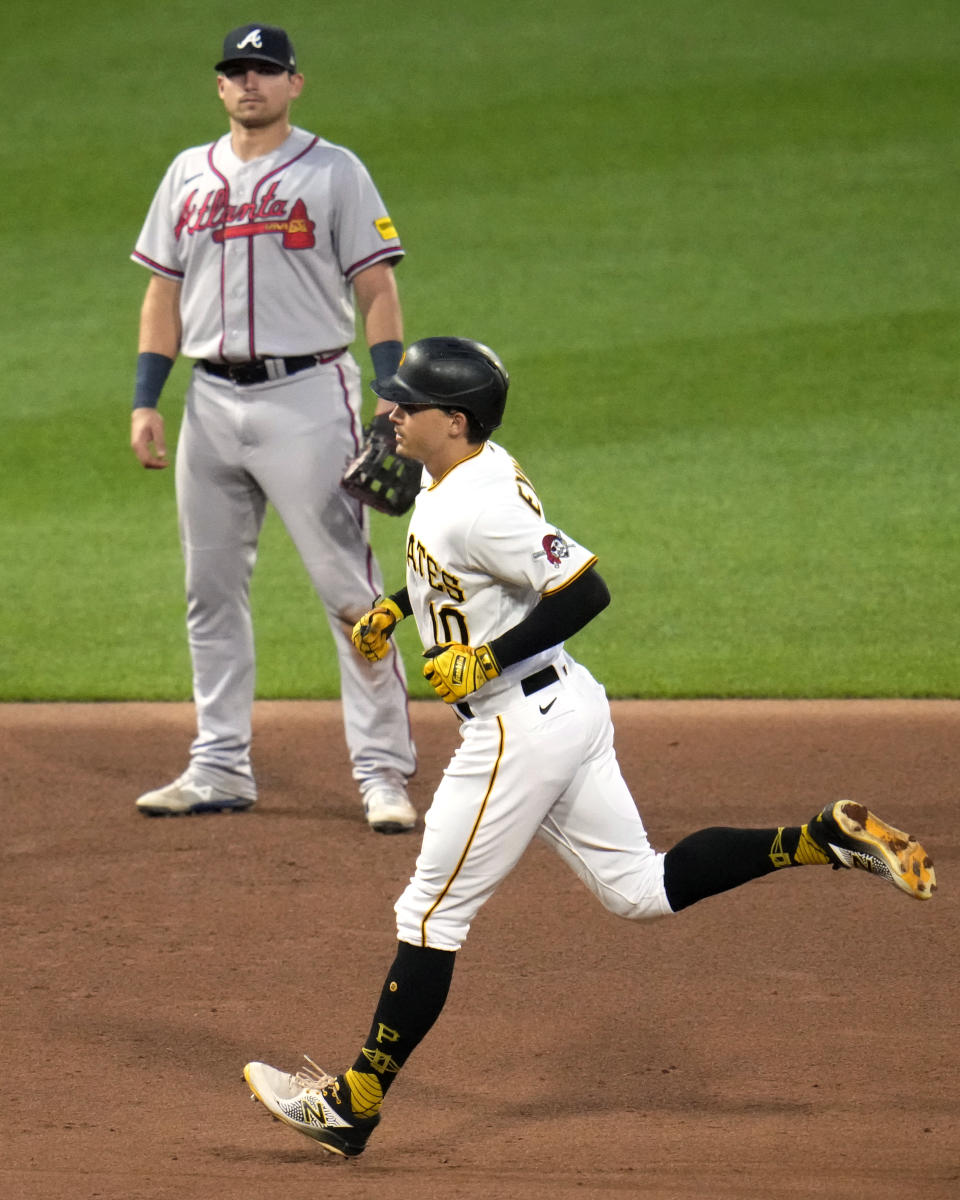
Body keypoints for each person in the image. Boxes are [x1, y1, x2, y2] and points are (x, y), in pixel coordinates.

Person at [242, 337, 937, 1157]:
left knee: (430, 914)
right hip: (565, 709)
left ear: (453, 421)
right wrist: (402, 608)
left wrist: (488, 657)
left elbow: (586, 588)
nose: (389, 412)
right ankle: (820, 838)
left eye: (406, 403)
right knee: (638, 888)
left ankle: (352, 1105)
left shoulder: (480, 501)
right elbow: (465, 573)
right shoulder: (459, 476)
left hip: (515, 728)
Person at [128, 24, 417, 831]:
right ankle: (219, 765)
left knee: (348, 594)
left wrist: (391, 392)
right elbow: (161, 293)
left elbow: (378, 291)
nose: (249, 82)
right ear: (220, 87)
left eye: (265, 71)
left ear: (295, 83)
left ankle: (384, 772)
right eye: (236, 72)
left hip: (308, 399)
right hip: (209, 404)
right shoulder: (188, 173)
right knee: (208, 591)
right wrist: (147, 399)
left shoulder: (335, 171)